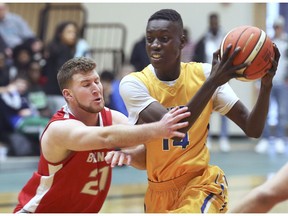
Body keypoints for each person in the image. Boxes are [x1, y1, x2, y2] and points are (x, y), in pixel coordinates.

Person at [113, 9, 279, 213]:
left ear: (182, 42)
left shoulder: (204, 74)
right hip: (158, 190)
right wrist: (213, 83)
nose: (155, 45)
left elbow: (252, 128)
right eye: (150, 39)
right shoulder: (134, 84)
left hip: (201, 185)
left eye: (164, 39)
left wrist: (266, 85)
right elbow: (175, 127)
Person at [13, 57, 190, 213]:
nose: (96, 89)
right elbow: (106, 137)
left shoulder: (113, 118)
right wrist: (159, 128)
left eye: (96, 81)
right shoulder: (59, 129)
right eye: (86, 84)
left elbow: (144, 161)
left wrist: (128, 156)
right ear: (68, 95)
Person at [193, 12, 230, 152]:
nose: (214, 24)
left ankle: (224, 139)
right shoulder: (203, 40)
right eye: (212, 22)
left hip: (223, 79)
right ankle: (206, 138)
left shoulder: (226, 38)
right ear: (209, 23)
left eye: (216, 22)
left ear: (218, 22)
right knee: (206, 111)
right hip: (206, 81)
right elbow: (197, 59)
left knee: (225, 109)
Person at [255, 15, 288, 154]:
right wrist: (258, 82)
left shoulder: (287, 43)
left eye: (279, 26)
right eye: (275, 26)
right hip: (269, 82)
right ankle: (265, 139)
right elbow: (261, 63)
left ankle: (280, 138)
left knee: (282, 112)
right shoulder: (269, 43)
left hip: (282, 83)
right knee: (265, 111)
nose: (277, 29)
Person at [42, 21, 90, 115]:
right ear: (60, 34)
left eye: (74, 33)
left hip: (50, 92)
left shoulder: (53, 48)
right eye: (69, 32)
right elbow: (64, 71)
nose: (73, 35)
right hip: (58, 93)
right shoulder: (62, 49)